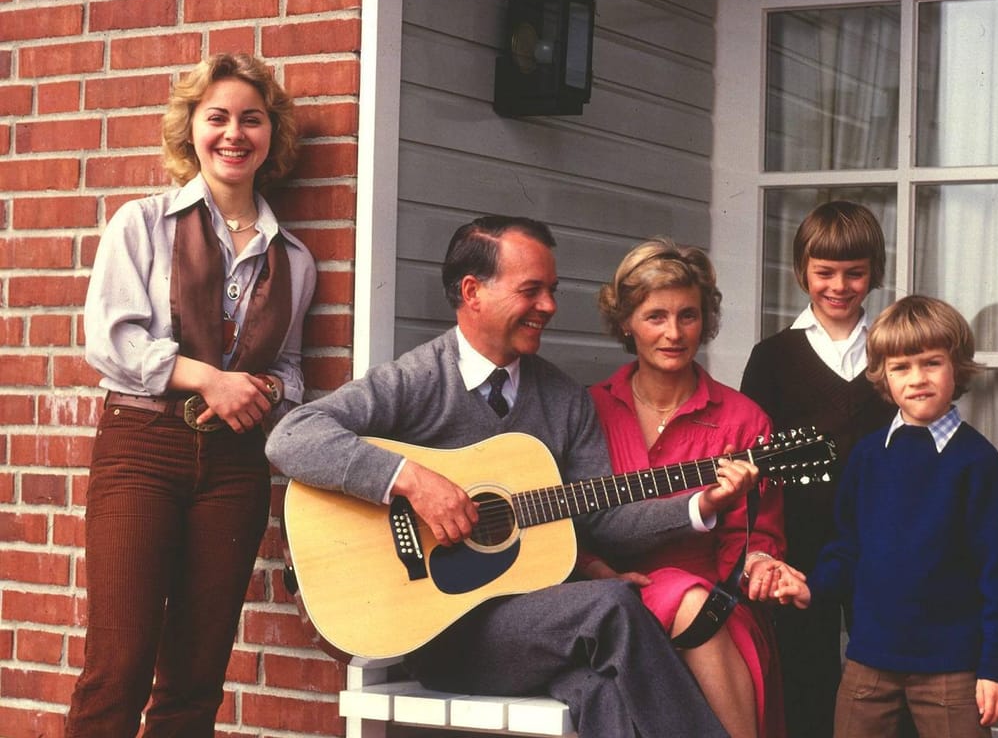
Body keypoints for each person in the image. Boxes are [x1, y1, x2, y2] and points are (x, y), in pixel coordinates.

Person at [264, 217, 731, 738]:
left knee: (599, 691)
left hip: (535, 625)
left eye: (551, 291)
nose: (550, 307)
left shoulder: (563, 399)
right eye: (531, 291)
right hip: (439, 633)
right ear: (472, 292)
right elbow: (291, 436)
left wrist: (699, 504)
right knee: (613, 607)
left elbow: (601, 518)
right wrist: (413, 481)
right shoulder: (419, 378)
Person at [69, 53, 317, 737]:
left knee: (197, 676)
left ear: (272, 135)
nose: (234, 134)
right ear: (191, 129)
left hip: (235, 467)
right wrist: (209, 377)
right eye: (218, 118)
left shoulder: (293, 258)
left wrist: (263, 389)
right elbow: (108, 341)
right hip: (141, 448)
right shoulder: (141, 224)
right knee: (117, 665)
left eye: (251, 119)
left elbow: (292, 370)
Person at [584, 237, 802, 738]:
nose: (674, 333)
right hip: (606, 594)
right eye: (655, 316)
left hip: (714, 605)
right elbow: (568, 524)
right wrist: (596, 570)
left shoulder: (742, 420)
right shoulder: (589, 410)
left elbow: (755, 541)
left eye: (689, 315)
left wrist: (762, 567)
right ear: (625, 322)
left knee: (690, 597)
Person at [780, 294, 998, 738]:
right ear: (883, 377)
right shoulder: (869, 456)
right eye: (901, 367)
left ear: (957, 368)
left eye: (931, 363)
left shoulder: (979, 464)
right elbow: (846, 546)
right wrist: (812, 587)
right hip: (869, 661)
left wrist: (997, 669)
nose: (917, 379)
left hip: (952, 670)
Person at [740, 200, 898, 738]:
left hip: (881, 540)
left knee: (886, 669)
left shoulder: (891, 352)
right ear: (802, 271)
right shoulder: (774, 356)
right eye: (825, 272)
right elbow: (753, 456)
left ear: (874, 271)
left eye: (854, 273)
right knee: (806, 670)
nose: (839, 285)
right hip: (800, 538)